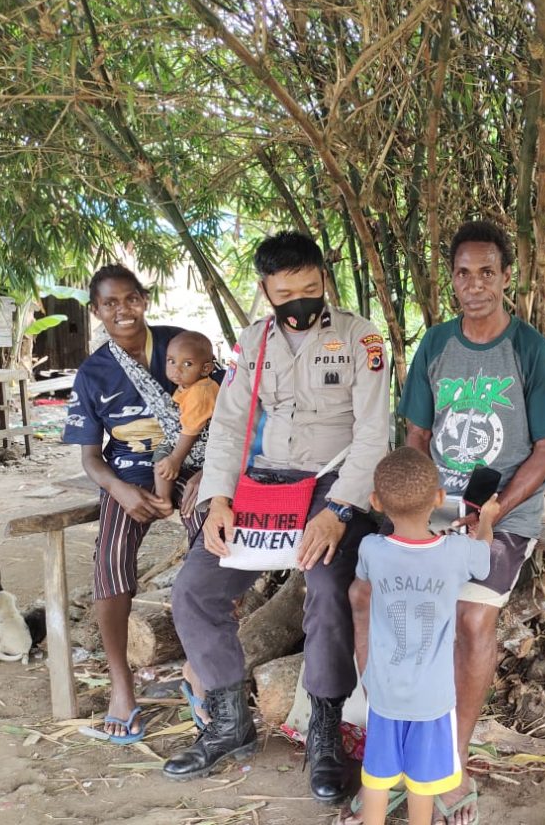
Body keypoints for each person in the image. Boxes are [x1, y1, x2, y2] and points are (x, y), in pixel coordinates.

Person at [346, 220, 545, 824]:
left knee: (472, 619)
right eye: (464, 274)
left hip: (503, 510)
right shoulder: (437, 344)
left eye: (487, 273)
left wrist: (493, 510)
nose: (475, 286)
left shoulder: (530, 349)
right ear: (453, 279)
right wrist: (410, 507)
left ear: (505, 278)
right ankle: (390, 751)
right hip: (433, 503)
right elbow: (417, 435)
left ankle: (449, 763)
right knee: (369, 593)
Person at [163, 232, 390, 801]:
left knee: (329, 584)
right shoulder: (254, 341)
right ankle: (228, 720)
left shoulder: (360, 338)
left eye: (310, 288)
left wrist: (339, 510)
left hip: (334, 481)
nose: (299, 301)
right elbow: (232, 427)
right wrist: (218, 499)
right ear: (265, 290)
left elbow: (372, 433)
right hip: (265, 485)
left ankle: (323, 728)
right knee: (194, 587)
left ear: (324, 281)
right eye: (285, 291)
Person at [61, 265, 211, 743]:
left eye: (130, 299)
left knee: (213, 535)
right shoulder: (93, 372)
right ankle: (121, 685)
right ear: (96, 310)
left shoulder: (182, 345)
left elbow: (230, 411)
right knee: (109, 558)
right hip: (126, 469)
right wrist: (120, 491)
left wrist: (209, 472)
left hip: (193, 459)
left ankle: (201, 669)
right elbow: (90, 456)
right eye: (110, 303)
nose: (122, 310)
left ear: (144, 300)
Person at [350, 447, 497, 825]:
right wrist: (487, 521)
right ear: (438, 498)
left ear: (376, 502)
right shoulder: (456, 553)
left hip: (383, 691)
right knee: (424, 782)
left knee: (378, 774)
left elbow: (363, 587)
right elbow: (483, 557)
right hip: (433, 698)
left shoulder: (371, 549)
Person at [153, 330, 219, 507]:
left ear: (206, 368)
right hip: (191, 440)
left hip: (202, 445)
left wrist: (175, 459)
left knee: (162, 456)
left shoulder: (200, 392)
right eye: (171, 361)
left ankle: (163, 499)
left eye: (187, 364)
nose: (176, 369)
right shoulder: (188, 385)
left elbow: (191, 429)